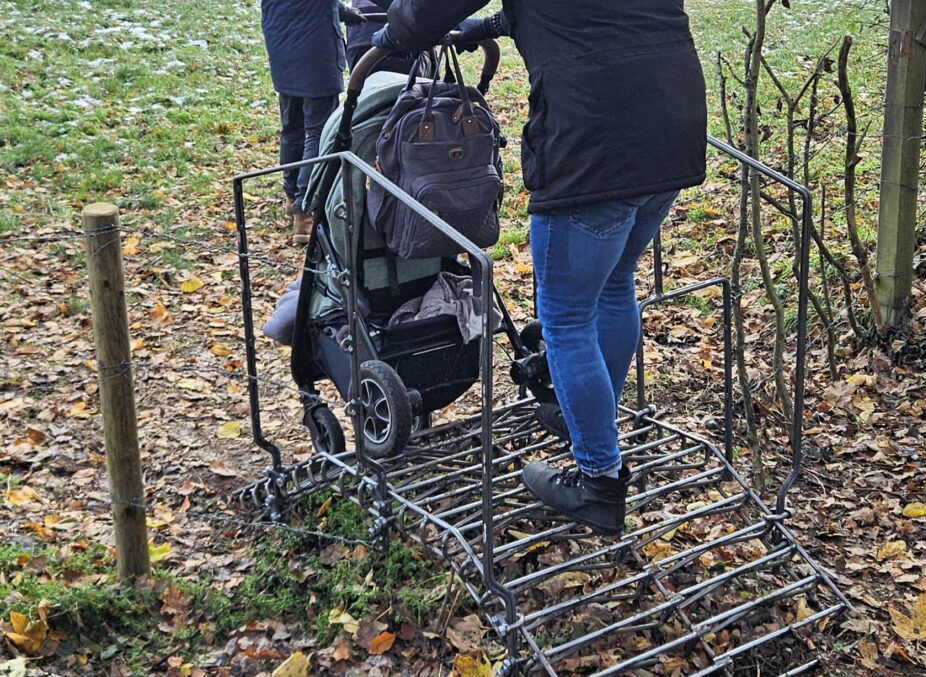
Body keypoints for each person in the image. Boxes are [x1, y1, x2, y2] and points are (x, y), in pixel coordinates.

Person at [374, 2, 707, 533]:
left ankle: (598, 481)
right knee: (614, 286)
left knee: (568, 318)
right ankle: (587, 418)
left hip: (593, 136)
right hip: (673, 122)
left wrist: (398, 29)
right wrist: (489, 27)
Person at [261, 0, 365, 245]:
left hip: (282, 45)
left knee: (292, 129)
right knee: (319, 132)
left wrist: (341, 11)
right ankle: (304, 210)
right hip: (316, 50)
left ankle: (291, 196)